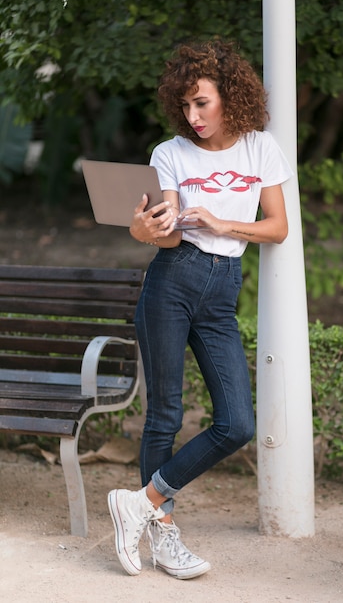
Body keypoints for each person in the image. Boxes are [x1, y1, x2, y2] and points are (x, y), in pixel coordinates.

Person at [107, 39, 293, 580]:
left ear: (230, 96)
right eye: (185, 106)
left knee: (236, 423)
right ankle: (163, 534)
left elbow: (277, 227)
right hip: (172, 278)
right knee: (164, 414)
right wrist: (145, 230)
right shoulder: (170, 153)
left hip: (222, 288)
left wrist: (221, 223)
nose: (193, 116)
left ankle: (138, 503)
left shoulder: (261, 148)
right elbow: (162, 234)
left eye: (202, 104)